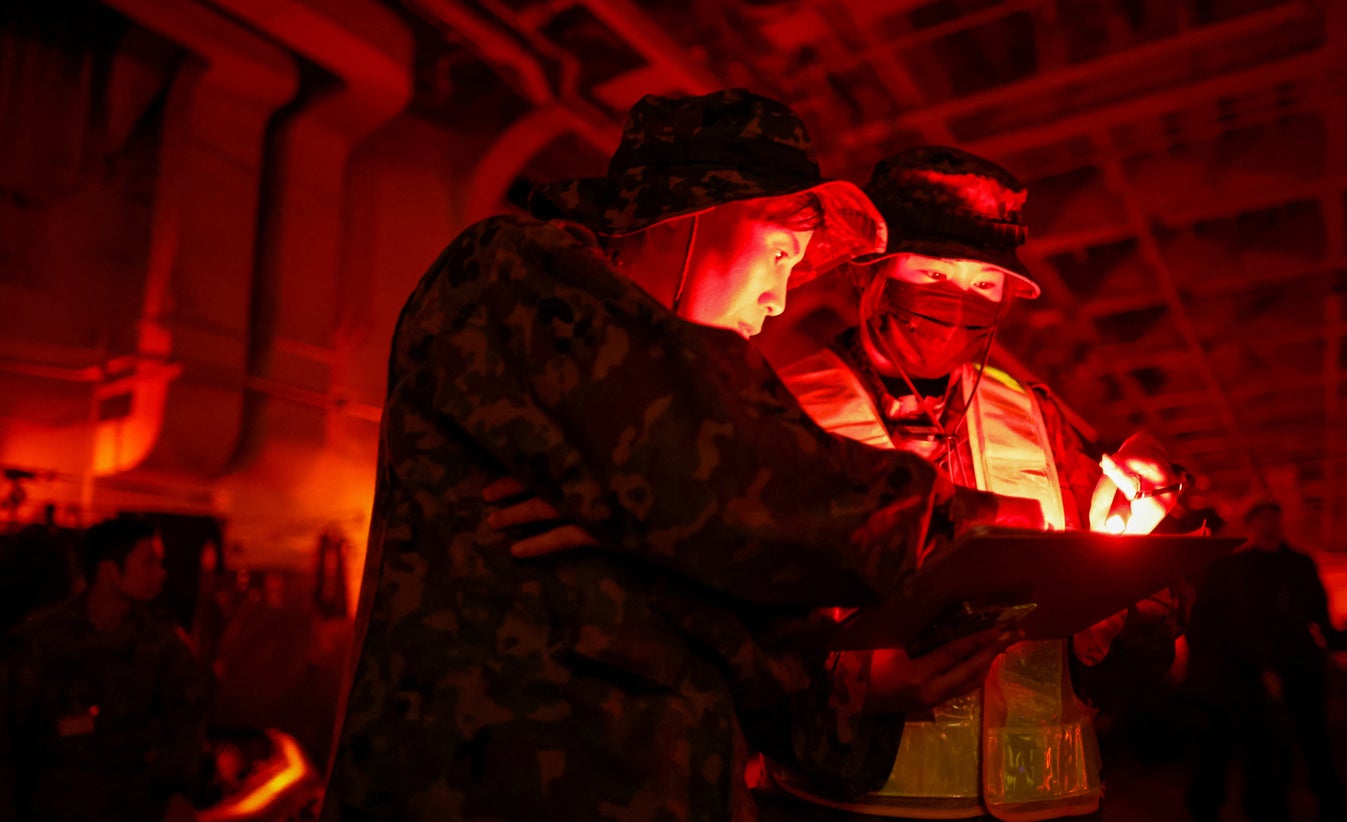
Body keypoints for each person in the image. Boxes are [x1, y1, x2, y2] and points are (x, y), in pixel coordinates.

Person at [322, 90, 1028, 822]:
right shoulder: (509, 275)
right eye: (780, 254)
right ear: (691, 217)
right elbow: (725, 480)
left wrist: (862, 689)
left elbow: (720, 602)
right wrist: (967, 525)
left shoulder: (655, 455)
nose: (779, 300)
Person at [727, 146, 1185, 820]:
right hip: (841, 805)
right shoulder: (779, 409)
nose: (958, 300)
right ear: (869, 273)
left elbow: (1137, 640)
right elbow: (724, 624)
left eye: (986, 283)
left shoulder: (1039, 419)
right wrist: (853, 690)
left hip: (1045, 803)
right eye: (933, 272)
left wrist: (1141, 562)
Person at [0, 514, 211, 821]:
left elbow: (187, 726)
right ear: (110, 571)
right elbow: (9, 732)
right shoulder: (41, 639)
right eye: (150, 562)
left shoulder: (164, 645)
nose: (161, 573)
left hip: (134, 807)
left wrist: (178, 792)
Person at [1184, 500, 1346, 822]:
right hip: (1252, 669)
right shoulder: (1241, 568)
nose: (1269, 523)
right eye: (1262, 517)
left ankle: (1311, 802)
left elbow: (1316, 611)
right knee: (1273, 745)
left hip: (1279, 667)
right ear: (1252, 523)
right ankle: (1302, 803)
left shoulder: (1271, 567)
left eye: (1272, 516)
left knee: (1287, 743)